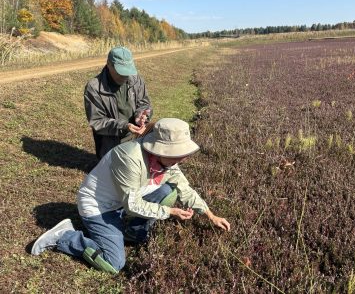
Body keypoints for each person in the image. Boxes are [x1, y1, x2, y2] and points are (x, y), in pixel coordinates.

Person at [31, 118, 231, 274]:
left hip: (121, 201)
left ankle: (129, 232)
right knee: (113, 263)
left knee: (170, 191)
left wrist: (210, 215)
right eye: (178, 153)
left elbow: (185, 188)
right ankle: (65, 237)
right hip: (99, 207)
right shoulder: (129, 158)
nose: (184, 157)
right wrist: (169, 212)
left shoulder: (166, 159)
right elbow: (132, 205)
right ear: (160, 148)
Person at [84, 46, 152, 160]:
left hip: (137, 136)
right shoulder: (94, 87)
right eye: (121, 71)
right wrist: (125, 126)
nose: (125, 76)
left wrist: (141, 115)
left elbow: (145, 103)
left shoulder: (137, 80)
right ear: (109, 64)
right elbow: (97, 121)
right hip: (110, 143)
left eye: (128, 71)